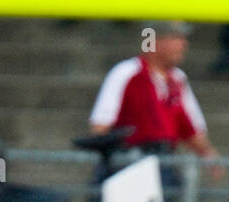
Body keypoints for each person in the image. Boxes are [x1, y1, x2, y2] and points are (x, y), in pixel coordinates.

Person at [89, 20, 219, 164]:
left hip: (164, 159)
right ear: (156, 40)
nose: (183, 44)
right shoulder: (126, 73)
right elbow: (101, 125)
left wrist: (208, 154)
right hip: (131, 160)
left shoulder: (177, 79)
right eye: (176, 38)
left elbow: (190, 128)